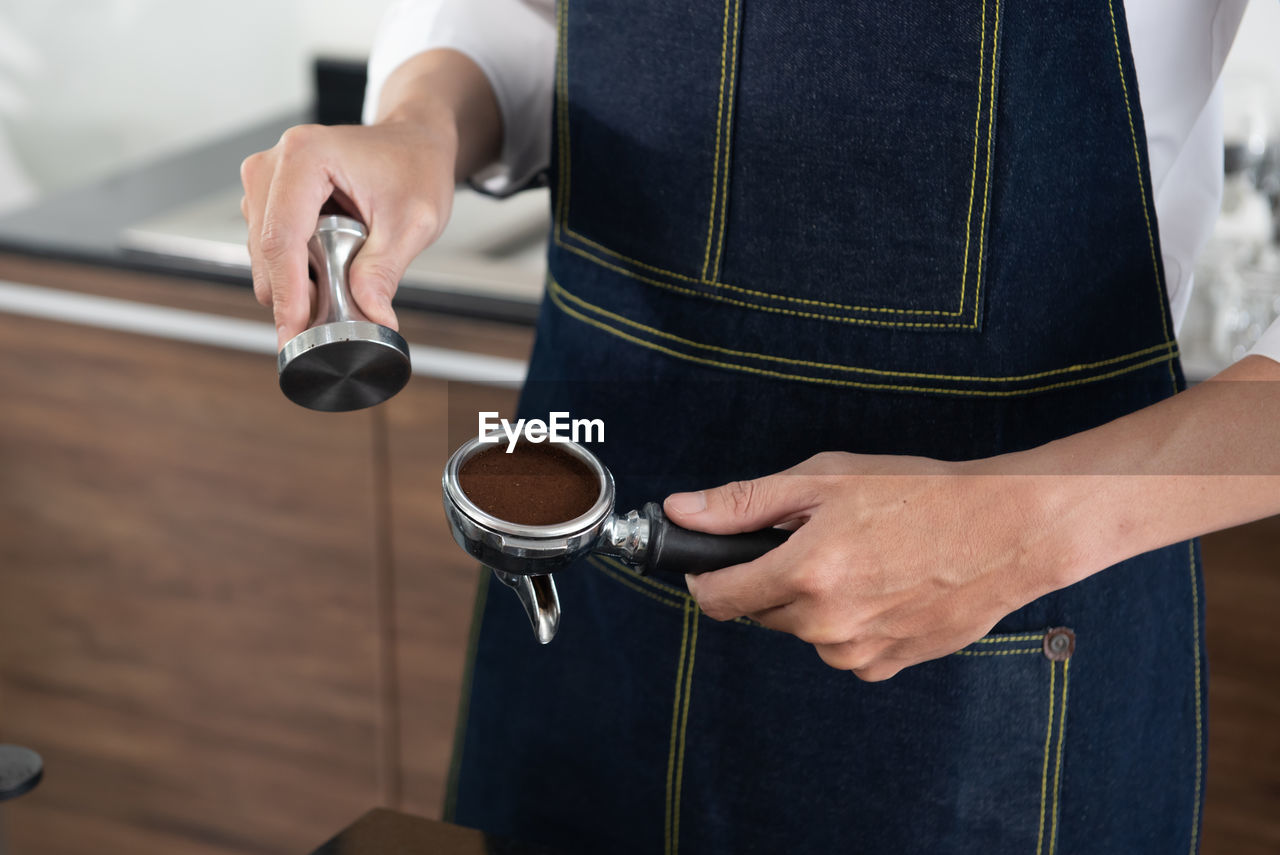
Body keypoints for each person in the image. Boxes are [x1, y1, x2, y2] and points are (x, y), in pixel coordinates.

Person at [240, 0, 1280, 851]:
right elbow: (529, 19)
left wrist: (1031, 528)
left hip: (997, 639)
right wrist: (422, 119)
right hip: (590, 600)